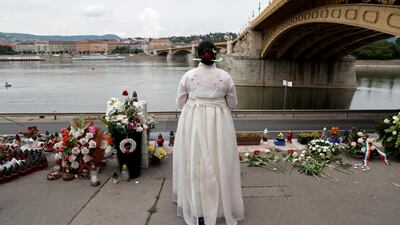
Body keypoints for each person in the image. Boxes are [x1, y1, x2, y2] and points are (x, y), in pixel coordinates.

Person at [173, 41, 245, 225]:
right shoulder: (225, 77)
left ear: (199, 55)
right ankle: (219, 203)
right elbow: (232, 104)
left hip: (193, 121)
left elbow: (180, 103)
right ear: (215, 56)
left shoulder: (188, 76)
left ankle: (197, 207)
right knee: (218, 159)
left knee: (195, 161)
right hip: (218, 123)